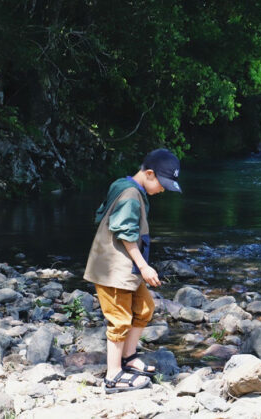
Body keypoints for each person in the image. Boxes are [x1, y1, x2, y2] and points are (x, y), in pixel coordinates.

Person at [83, 149, 182, 393]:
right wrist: (144, 266)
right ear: (149, 173)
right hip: (113, 269)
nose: (163, 190)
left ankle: (128, 357)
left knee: (145, 308)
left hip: (126, 269)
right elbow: (125, 234)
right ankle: (113, 375)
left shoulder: (125, 185)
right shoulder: (129, 195)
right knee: (119, 319)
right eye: (162, 184)